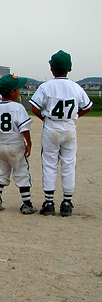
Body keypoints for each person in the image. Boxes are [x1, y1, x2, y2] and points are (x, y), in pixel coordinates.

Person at [29, 50, 92, 217]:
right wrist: (75, 115)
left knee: (49, 163)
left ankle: (49, 202)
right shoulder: (75, 87)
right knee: (69, 164)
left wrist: (44, 117)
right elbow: (88, 106)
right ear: (69, 68)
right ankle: (67, 203)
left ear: (52, 69)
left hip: (51, 127)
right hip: (69, 127)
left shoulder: (46, 86)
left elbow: (34, 106)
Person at [0, 74, 37, 214]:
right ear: (11, 92)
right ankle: (27, 203)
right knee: (21, 172)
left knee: (0, 172)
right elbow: (24, 128)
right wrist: (29, 142)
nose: (19, 91)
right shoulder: (18, 107)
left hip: (2, 146)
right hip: (16, 146)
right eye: (17, 89)